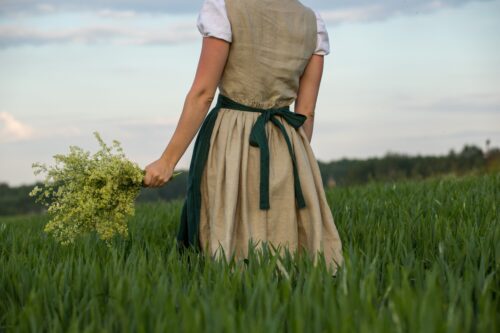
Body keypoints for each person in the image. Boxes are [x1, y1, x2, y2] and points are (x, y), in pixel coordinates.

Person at [143, 0, 343, 274]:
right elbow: (306, 111)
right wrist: (291, 157)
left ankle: (231, 299)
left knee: (230, 238)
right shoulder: (311, 21)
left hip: (232, 139)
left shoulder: (225, 8)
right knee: (285, 243)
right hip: (288, 140)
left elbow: (203, 94)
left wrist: (167, 161)